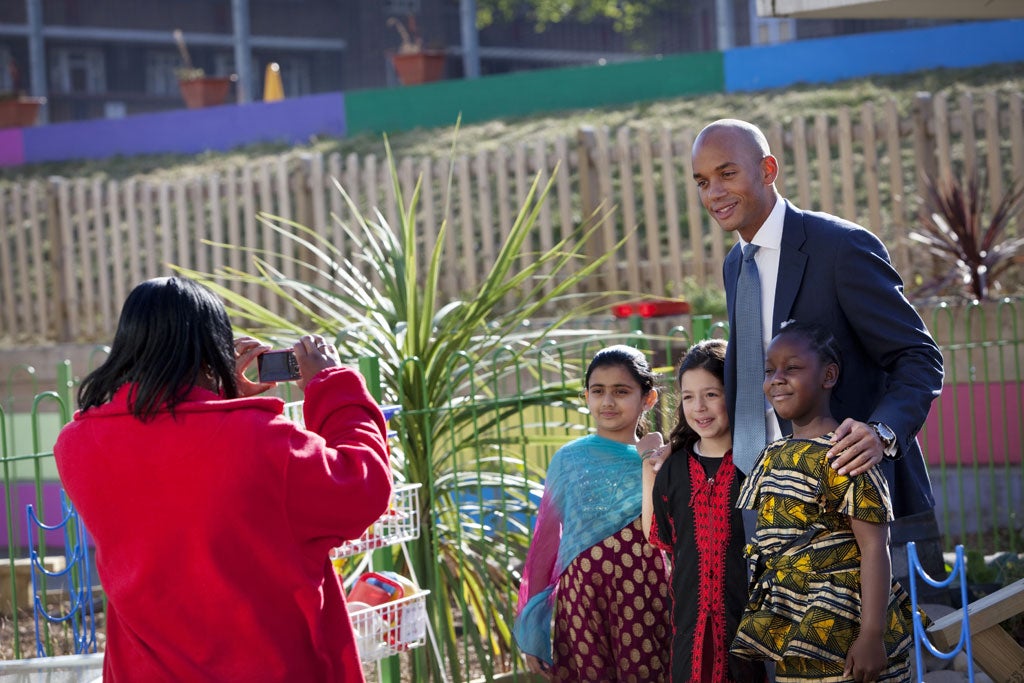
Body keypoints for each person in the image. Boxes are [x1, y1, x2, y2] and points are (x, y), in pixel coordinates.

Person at [53, 276, 393, 682]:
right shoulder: (262, 440)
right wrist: (331, 385)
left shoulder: (76, 446)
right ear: (212, 350)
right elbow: (363, 486)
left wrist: (224, 404)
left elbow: (184, 472)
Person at [690, 118, 944, 519]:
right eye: (702, 182)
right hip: (768, 500)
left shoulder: (841, 247)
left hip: (857, 503)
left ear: (767, 170)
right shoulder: (735, 264)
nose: (714, 192)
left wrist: (881, 432)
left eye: (727, 174)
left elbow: (919, 357)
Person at [730, 321, 917, 682]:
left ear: (828, 375)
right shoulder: (773, 454)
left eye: (793, 368)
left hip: (848, 635)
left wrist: (872, 636)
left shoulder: (847, 454)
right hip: (797, 636)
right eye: (770, 371)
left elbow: (876, 548)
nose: (777, 379)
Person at [514, 345, 672, 682]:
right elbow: (545, 546)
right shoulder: (569, 461)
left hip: (645, 595)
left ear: (648, 398)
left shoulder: (659, 462)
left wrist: (652, 466)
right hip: (582, 601)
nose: (608, 402)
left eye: (621, 391)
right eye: (598, 391)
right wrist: (533, 628)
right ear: (586, 396)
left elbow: (670, 533)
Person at [640, 339, 768, 683]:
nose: (699, 407)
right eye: (688, 397)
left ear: (736, 393)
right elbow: (656, 536)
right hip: (691, 632)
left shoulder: (758, 463)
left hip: (753, 634)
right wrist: (647, 473)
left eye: (711, 394)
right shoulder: (673, 467)